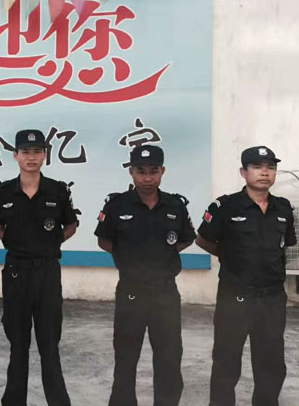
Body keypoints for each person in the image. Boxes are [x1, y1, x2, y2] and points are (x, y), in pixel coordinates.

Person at [95, 144, 196, 406]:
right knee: (125, 358)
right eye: (141, 171)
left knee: (169, 358)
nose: (148, 178)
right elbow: (104, 240)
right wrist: (130, 257)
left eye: (153, 171)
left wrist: (161, 254)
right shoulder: (117, 205)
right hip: (131, 291)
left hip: (165, 293)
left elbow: (186, 238)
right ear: (131, 172)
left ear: (162, 171)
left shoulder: (175, 205)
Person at [196, 146, 297, 406]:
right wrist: (231, 257)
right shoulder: (225, 206)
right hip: (235, 297)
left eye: (270, 167)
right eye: (257, 167)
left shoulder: (283, 208)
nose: (265, 172)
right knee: (226, 362)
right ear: (243, 172)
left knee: (271, 363)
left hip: (272, 299)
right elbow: (203, 240)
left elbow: (284, 245)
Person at [0, 129, 77, 406]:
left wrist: (49, 244)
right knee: (18, 345)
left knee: (49, 346)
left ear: (45, 155)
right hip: (16, 273)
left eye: (37, 151)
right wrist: (19, 244)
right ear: (15, 155)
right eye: (25, 152)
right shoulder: (4, 192)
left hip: (47, 273)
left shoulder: (57, 191)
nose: (31, 157)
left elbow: (71, 225)